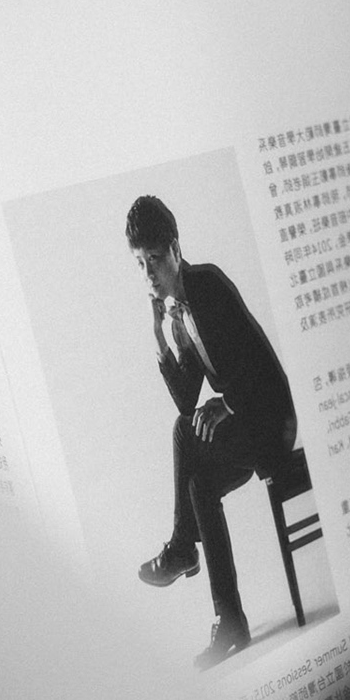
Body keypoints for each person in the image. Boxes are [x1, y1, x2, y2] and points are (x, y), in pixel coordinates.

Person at [127, 194, 296, 668]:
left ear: (175, 249)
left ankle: (183, 549)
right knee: (200, 484)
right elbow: (186, 399)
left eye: (154, 259)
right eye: (139, 264)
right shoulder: (179, 313)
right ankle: (231, 620)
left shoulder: (209, 285)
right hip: (246, 428)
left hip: (272, 421)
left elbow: (256, 366)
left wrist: (227, 404)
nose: (148, 274)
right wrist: (161, 337)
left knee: (184, 434)